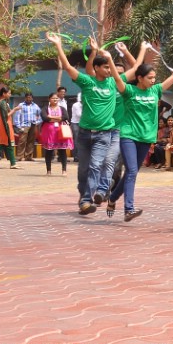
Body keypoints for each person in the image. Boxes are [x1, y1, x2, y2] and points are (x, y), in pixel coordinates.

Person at [108, 51, 173, 221]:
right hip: (129, 135)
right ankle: (128, 209)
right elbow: (117, 79)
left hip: (146, 137)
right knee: (131, 171)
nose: (153, 80)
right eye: (150, 77)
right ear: (140, 78)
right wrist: (109, 58)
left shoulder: (156, 91)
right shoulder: (128, 90)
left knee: (132, 173)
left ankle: (112, 198)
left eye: (154, 77)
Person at [47, 34, 119, 212]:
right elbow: (68, 67)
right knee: (83, 170)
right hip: (85, 133)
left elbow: (133, 71)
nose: (109, 70)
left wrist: (137, 52)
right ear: (96, 68)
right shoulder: (87, 82)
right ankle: (84, 195)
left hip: (104, 134)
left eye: (110, 68)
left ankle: (86, 201)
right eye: (105, 67)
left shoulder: (114, 83)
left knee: (95, 166)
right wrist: (58, 45)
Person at [38, 92, 73, 176]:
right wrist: (58, 118)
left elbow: (65, 117)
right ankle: (48, 170)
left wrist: (51, 117)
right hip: (49, 132)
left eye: (56, 98)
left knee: (62, 150)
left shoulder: (62, 108)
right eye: (53, 98)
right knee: (49, 151)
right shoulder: (45, 108)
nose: (55, 100)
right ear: (49, 99)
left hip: (60, 132)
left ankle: (64, 170)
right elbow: (44, 117)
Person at [12, 93, 42, 161]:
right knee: (22, 141)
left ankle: (28, 156)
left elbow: (40, 115)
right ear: (25, 98)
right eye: (27, 97)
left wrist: (37, 122)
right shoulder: (21, 105)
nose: (29, 99)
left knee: (31, 141)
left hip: (33, 125)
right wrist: (19, 126)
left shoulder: (35, 106)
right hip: (24, 125)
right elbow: (17, 116)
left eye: (30, 97)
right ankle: (19, 156)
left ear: (32, 98)